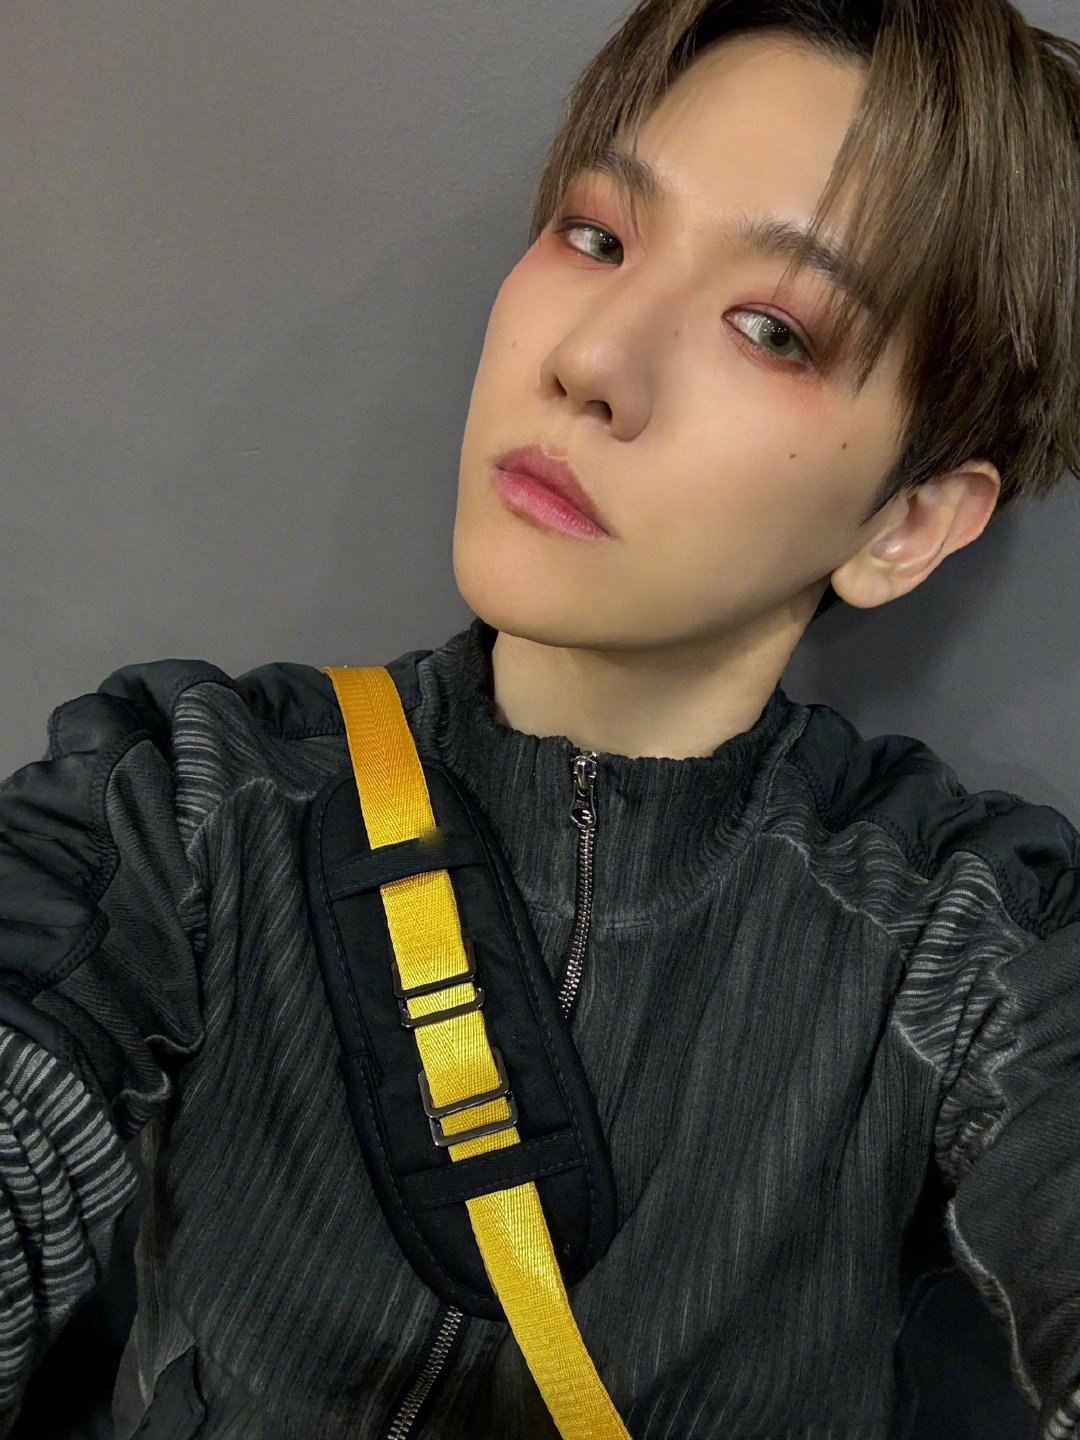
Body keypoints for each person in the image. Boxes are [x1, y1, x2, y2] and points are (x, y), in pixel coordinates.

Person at [2, 0, 1079, 1437]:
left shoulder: (967, 933)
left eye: (772, 329)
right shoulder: (190, 795)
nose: (594, 361)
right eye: (596, 236)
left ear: (907, 524)